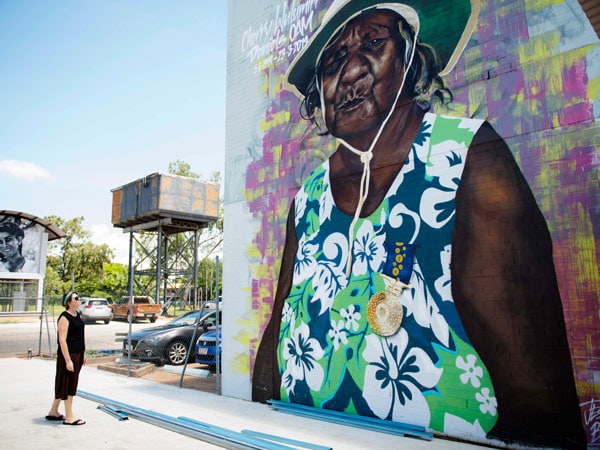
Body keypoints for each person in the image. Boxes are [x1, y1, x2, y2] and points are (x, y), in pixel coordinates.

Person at [252, 0, 585, 448]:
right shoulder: (308, 197)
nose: (350, 72)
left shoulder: (468, 160)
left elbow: (538, 404)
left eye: (372, 44)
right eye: (332, 61)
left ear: (412, 59)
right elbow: (277, 334)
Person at [46, 291, 87, 426]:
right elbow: (62, 340)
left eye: (79, 297)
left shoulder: (78, 315)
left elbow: (80, 336)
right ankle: (69, 417)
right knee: (69, 385)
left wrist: (83, 354)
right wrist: (68, 360)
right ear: (69, 302)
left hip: (78, 354)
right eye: (76, 298)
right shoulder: (64, 317)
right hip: (69, 356)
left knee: (63, 384)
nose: (79, 299)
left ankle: (53, 411)